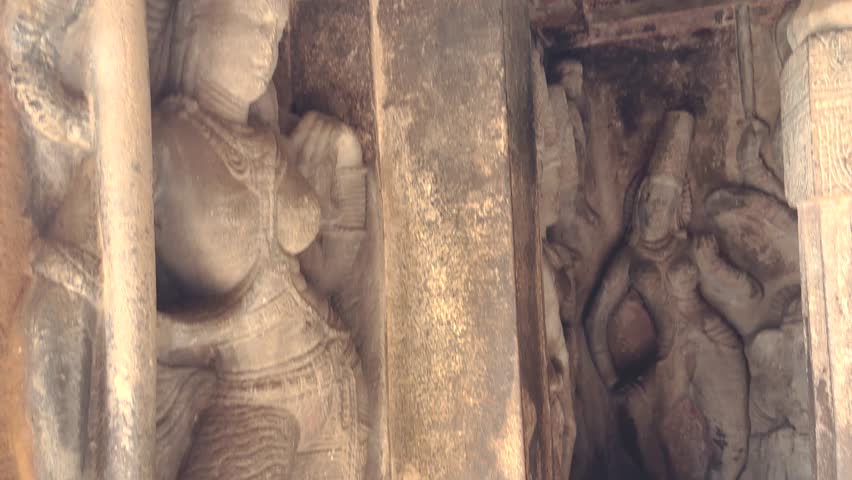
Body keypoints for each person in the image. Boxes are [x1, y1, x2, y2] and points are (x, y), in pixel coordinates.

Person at [586, 111, 749, 480]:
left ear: (678, 208)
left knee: (735, 441)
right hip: (670, 355)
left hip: (713, 338)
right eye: (649, 197)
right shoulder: (628, 260)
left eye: (663, 200)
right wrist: (610, 378)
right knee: (639, 419)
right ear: (639, 200)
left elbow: (744, 291)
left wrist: (716, 266)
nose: (654, 208)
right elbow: (594, 318)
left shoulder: (690, 247)